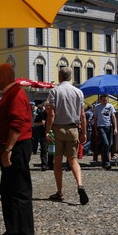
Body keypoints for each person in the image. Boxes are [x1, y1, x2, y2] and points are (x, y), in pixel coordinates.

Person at [0, 63, 35, 235]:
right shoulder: (10, 94)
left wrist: (8, 149)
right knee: (7, 190)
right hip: (10, 147)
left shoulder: (16, 94)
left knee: (20, 190)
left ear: (3, 76)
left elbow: (17, 124)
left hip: (17, 147)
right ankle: (13, 230)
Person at [45, 67, 89, 205]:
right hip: (73, 129)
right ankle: (80, 185)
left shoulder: (54, 91)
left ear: (59, 77)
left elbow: (51, 114)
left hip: (58, 129)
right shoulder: (78, 92)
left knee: (57, 161)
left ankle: (59, 192)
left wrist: (47, 131)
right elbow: (82, 115)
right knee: (73, 160)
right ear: (70, 78)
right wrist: (84, 132)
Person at [93, 94, 117, 170]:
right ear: (100, 100)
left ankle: (104, 163)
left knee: (108, 145)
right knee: (106, 144)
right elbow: (95, 119)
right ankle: (107, 162)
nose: (105, 101)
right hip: (101, 127)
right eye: (103, 100)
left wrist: (115, 128)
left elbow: (113, 117)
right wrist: (96, 130)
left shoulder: (111, 106)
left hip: (109, 126)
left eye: (106, 100)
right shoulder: (97, 107)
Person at [33, 103, 49, 171]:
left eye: (49, 106)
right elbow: (35, 123)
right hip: (43, 133)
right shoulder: (41, 114)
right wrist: (41, 123)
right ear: (45, 107)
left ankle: (51, 164)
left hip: (53, 133)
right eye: (47, 107)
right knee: (44, 149)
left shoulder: (54, 113)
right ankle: (44, 164)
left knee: (52, 150)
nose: (48, 108)